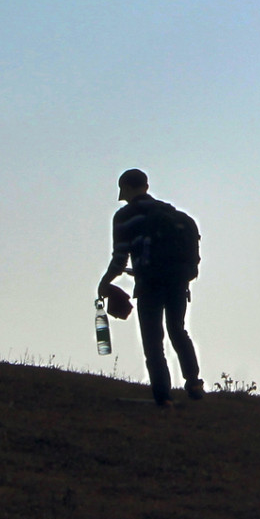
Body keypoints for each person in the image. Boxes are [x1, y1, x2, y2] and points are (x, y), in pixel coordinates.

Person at [98, 168, 203, 408]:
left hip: (149, 283)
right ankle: (194, 382)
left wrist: (105, 282)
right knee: (177, 329)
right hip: (178, 280)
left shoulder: (125, 216)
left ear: (125, 188)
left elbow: (120, 258)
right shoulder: (169, 212)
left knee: (153, 340)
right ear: (146, 186)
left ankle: (163, 396)